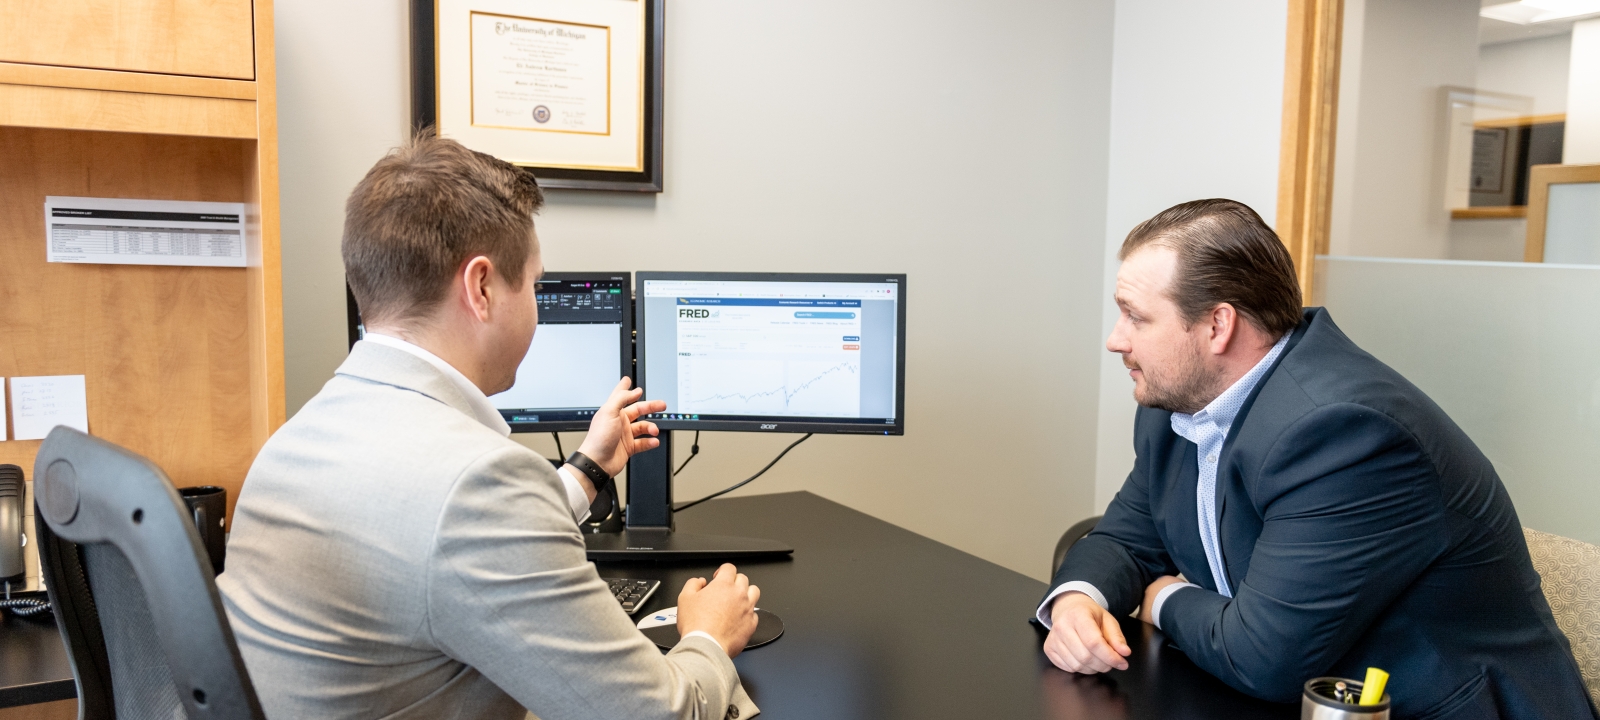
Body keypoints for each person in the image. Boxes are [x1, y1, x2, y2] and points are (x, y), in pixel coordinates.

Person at [218, 136, 761, 720]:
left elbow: (427, 537)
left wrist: (588, 468)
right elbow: (654, 714)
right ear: (481, 288)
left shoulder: (295, 441)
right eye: (532, 284)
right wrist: (708, 637)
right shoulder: (478, 483)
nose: (535, 304)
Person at [1037, 199, 1597, 719]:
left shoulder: (1344, 433)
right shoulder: (1177, 400)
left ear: (1217, 325)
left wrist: (1161, 596)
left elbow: (1262, 656)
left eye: (1136, 317)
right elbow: (1122, 540)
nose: (1116, 340)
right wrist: (1077, 601)